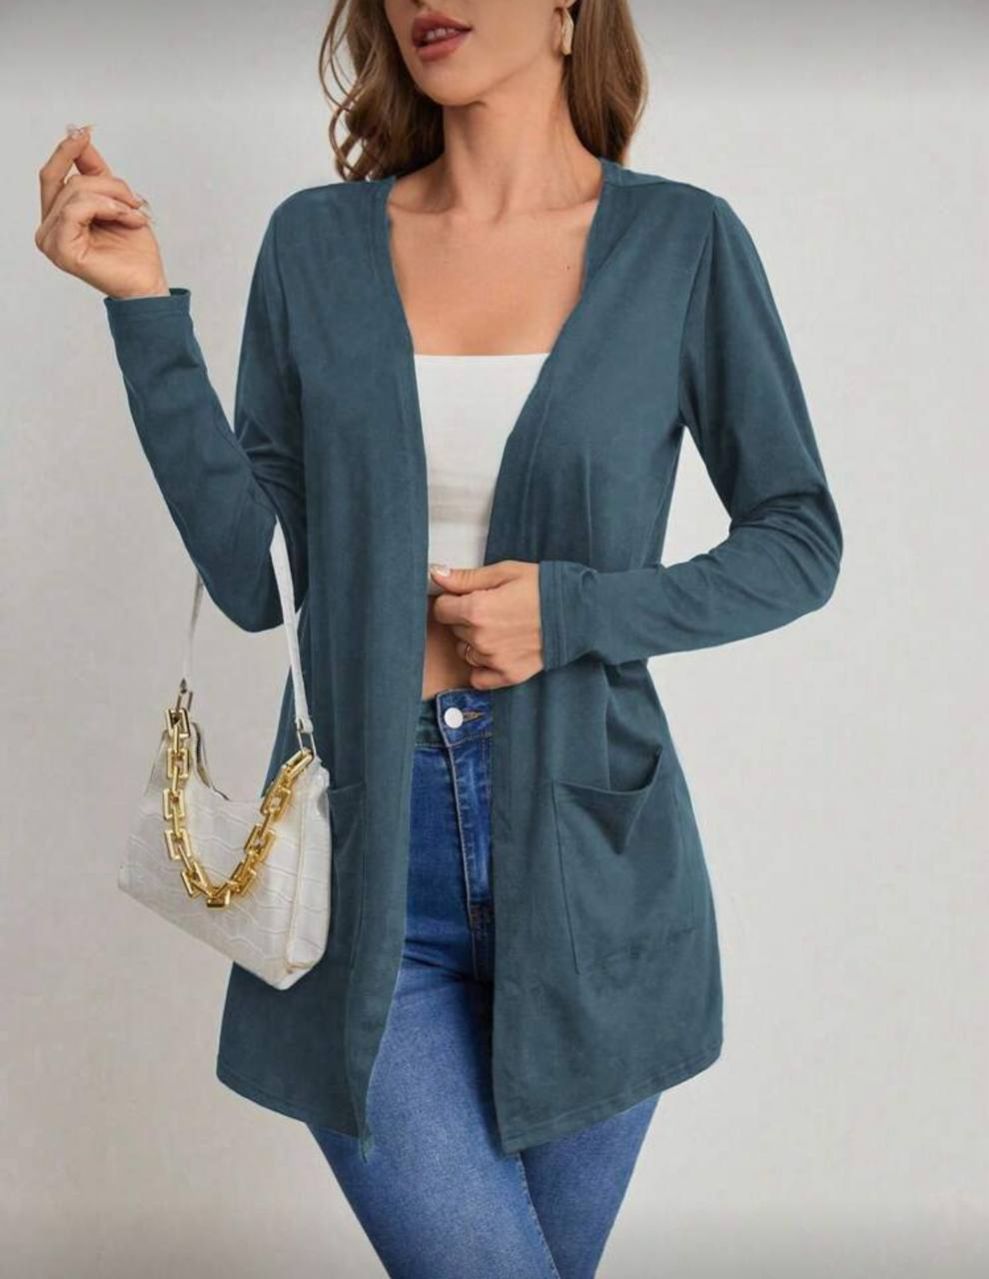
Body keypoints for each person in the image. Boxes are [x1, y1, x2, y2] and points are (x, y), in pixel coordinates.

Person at [36, 3, 843, 1276]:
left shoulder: (681, 244)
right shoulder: (316, 243)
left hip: (594, 869)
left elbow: (797, 538)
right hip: (363, 856)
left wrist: (571, 610)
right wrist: (143, 310)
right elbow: (255, 578)